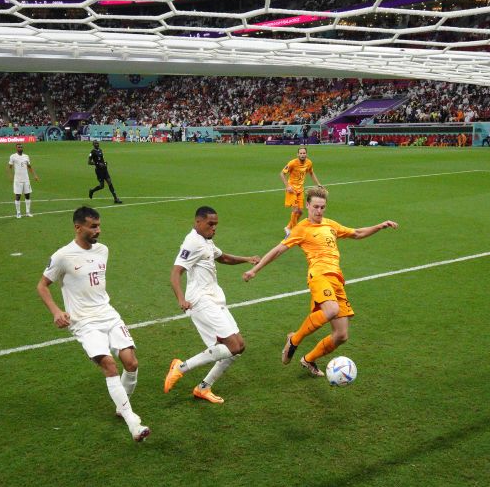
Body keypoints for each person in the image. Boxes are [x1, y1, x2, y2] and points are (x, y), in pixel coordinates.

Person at [242, 187, 398, 377]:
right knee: (331, 310)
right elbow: (277, 250)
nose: (319, 211)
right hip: (318, 275)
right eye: (315, 206)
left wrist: (380, 226)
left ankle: (308, 360)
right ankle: (294, 340)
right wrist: (254, 270)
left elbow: (356, 233)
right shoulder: (301, 229)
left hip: (337, 279)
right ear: (307, 205)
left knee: (341, 335)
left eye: (322, 207)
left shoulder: (330, 224)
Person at [36, 206, 150, 442]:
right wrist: (57, 311)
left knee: (131, 363)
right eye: (93, 226)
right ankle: (133, 423)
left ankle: (122, 407)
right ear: (78, 227)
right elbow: (42, 286)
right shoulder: (62, 256)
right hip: (84, 322)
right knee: (109, 365)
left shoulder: (103, 250)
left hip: (108, 314)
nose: (98, 230)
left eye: (99, 225)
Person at [163, 206, 260, 404]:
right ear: (197, 222)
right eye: (210, 224)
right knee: (231, 346)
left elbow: (222, 257)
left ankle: (203, 388)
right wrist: (181, 299)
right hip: (200, 300)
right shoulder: (192, 242)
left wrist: (247, 259)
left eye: (216, 224)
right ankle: (180, 368)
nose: (214, 228)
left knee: (239, 347)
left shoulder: (205, 240)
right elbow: (175, 273)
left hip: (215, 298)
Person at [280, 147, 323, 237]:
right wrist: (287, 186)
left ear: (306, 154)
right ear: (298, 154)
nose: (303, 155)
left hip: (300, 190)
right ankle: (294, 232)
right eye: (301, 153)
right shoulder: (292, 163)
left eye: (304, 153)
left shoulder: (309, 163)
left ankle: (288, 227)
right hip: (292, 190)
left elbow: (311, 173)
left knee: (300, 212)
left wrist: (318, 184)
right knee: (295, 210)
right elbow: (282, 174)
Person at [8, 143, 38, 218]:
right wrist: (10, 176)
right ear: (16, 148)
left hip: (26, 179)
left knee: (27, 195)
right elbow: (10, 167)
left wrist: (34, 175)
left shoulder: (26, 156)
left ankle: (28, 212)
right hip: (18, 180)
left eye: (21, 147)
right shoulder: (13, 156)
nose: (20, 148)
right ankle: (18, 213)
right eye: (19, 147)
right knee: (18, 196)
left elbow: (29, 167)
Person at [87, 140, 122, 204]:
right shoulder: (92, 152)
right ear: (93, 145)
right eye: (95, 143)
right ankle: (92, 191)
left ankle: (116, 198)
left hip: (104, 170)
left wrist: (105, 163)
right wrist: (97, 163)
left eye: (97, 143)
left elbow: (102, 159)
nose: (97, 144)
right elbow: (89, 162)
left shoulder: (100, 150)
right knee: (101, 186)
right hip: (99, 171)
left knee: (109, 182)